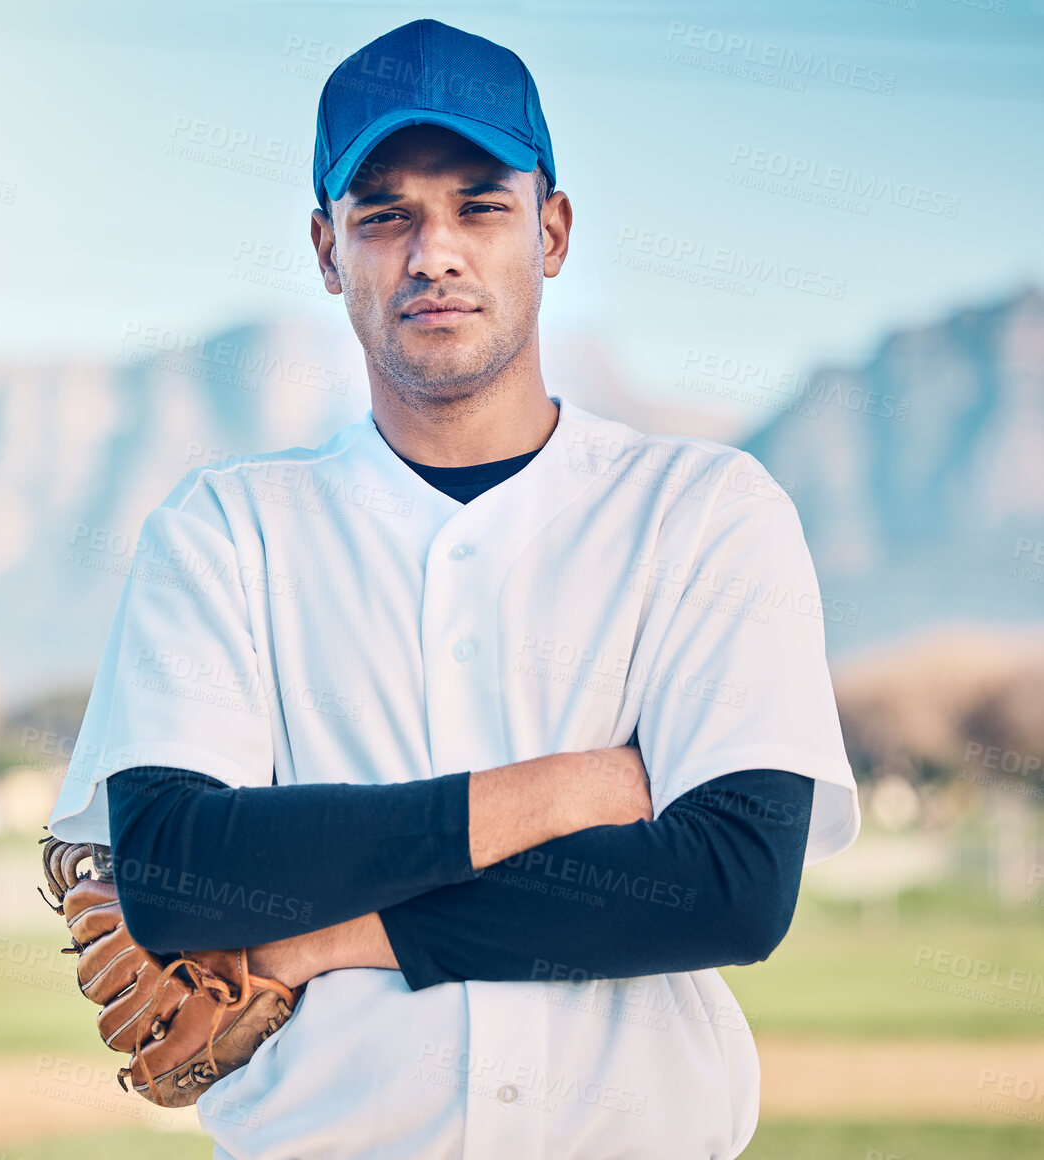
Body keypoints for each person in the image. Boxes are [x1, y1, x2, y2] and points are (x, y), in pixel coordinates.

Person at [45, 18, 859, 1159]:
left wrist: (319, 935)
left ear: (551, 230)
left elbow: (726, 886)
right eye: (386, 214)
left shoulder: (705, 509)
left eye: (479, 204)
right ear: (328, 250)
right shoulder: (224, 527)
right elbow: (182, 872)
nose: (434, 251)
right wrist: (569, 788)